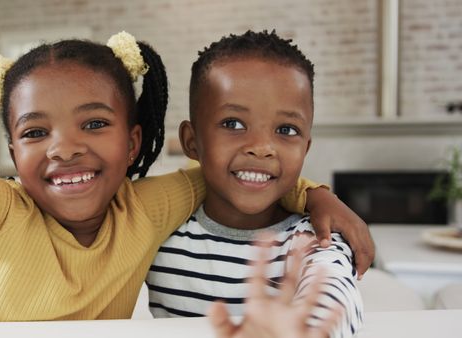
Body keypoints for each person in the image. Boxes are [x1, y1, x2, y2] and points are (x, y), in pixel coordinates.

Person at [0, 1, 369, 323]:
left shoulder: (147, 210)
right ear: (13, 153)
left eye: (93, 123)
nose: (65, 148)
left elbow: (228, 169)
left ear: (133, 144)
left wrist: (314, 193)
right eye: (36, 132)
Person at [145, 30, 362, 338]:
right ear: (192, 142)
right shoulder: (158, 236)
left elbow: (333, 296)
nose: (261, 147)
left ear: (305, 148)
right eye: (233, 124)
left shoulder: (315, 240)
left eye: (286, 129)